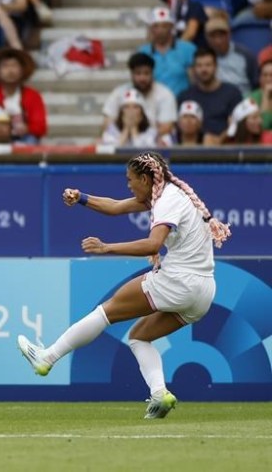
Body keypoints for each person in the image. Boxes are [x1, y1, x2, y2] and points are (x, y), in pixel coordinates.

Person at [18, 152, 231, 419]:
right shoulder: (169, 194)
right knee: (139, 337)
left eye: (130, 180)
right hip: (204, 292)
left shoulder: (167, 200)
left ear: (145, 178)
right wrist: (81, 197)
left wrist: (107, 247)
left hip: (179, 281)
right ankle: (159, 395)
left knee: (106, 312)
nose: (128, 185)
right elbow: (117, 206)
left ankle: (46, 358)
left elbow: (153, 244)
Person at [0, 47, 47, 143]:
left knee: (31, 140)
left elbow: (41, 126)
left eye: (14, 66)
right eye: (5, 66)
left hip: (22, 138)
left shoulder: (33, 96)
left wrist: (26, 128)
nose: (10, 70)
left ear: (22, 70)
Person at [176, 46, 244, 144]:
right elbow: (179, 129)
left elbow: (238, 126)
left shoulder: (232, 93)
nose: (204, 69)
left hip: (226, 149)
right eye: (199, 65)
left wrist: (218, 141)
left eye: (208, 65)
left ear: (216, 67)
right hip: (192, 151)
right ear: (194, 69)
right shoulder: (185, 96)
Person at [102, 52, 178, 138]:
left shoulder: (165, 94)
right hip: (123, 140)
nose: (142, 78)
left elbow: (166, 127)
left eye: (146, 73)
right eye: (138, 73)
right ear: (131, 74)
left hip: (155, 143)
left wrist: (142, 140)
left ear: (152, 73)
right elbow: (107, 124)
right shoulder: (119, 93)